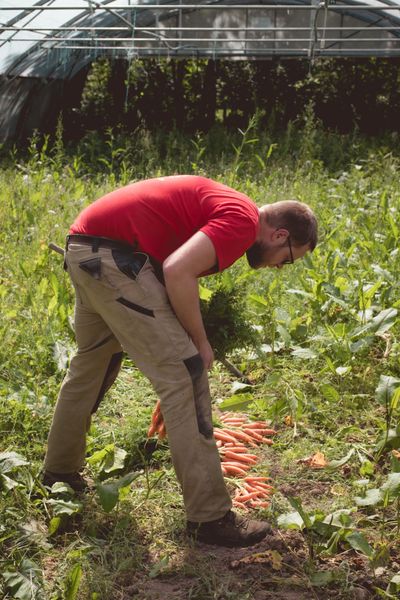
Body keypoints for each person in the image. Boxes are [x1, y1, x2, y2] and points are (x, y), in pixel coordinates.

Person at [43, 175, 318, 547]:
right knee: (185, 376)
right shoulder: (242, 220)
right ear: (280, 235)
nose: (280, 267)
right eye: (288, 260)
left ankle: (59, 473)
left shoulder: (230, 206)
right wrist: (199, 342)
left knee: (92, 364)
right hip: (113, 259)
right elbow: (176, 270)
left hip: (87, 250)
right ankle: (210, 518)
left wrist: (187, 329)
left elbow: (169, 271)